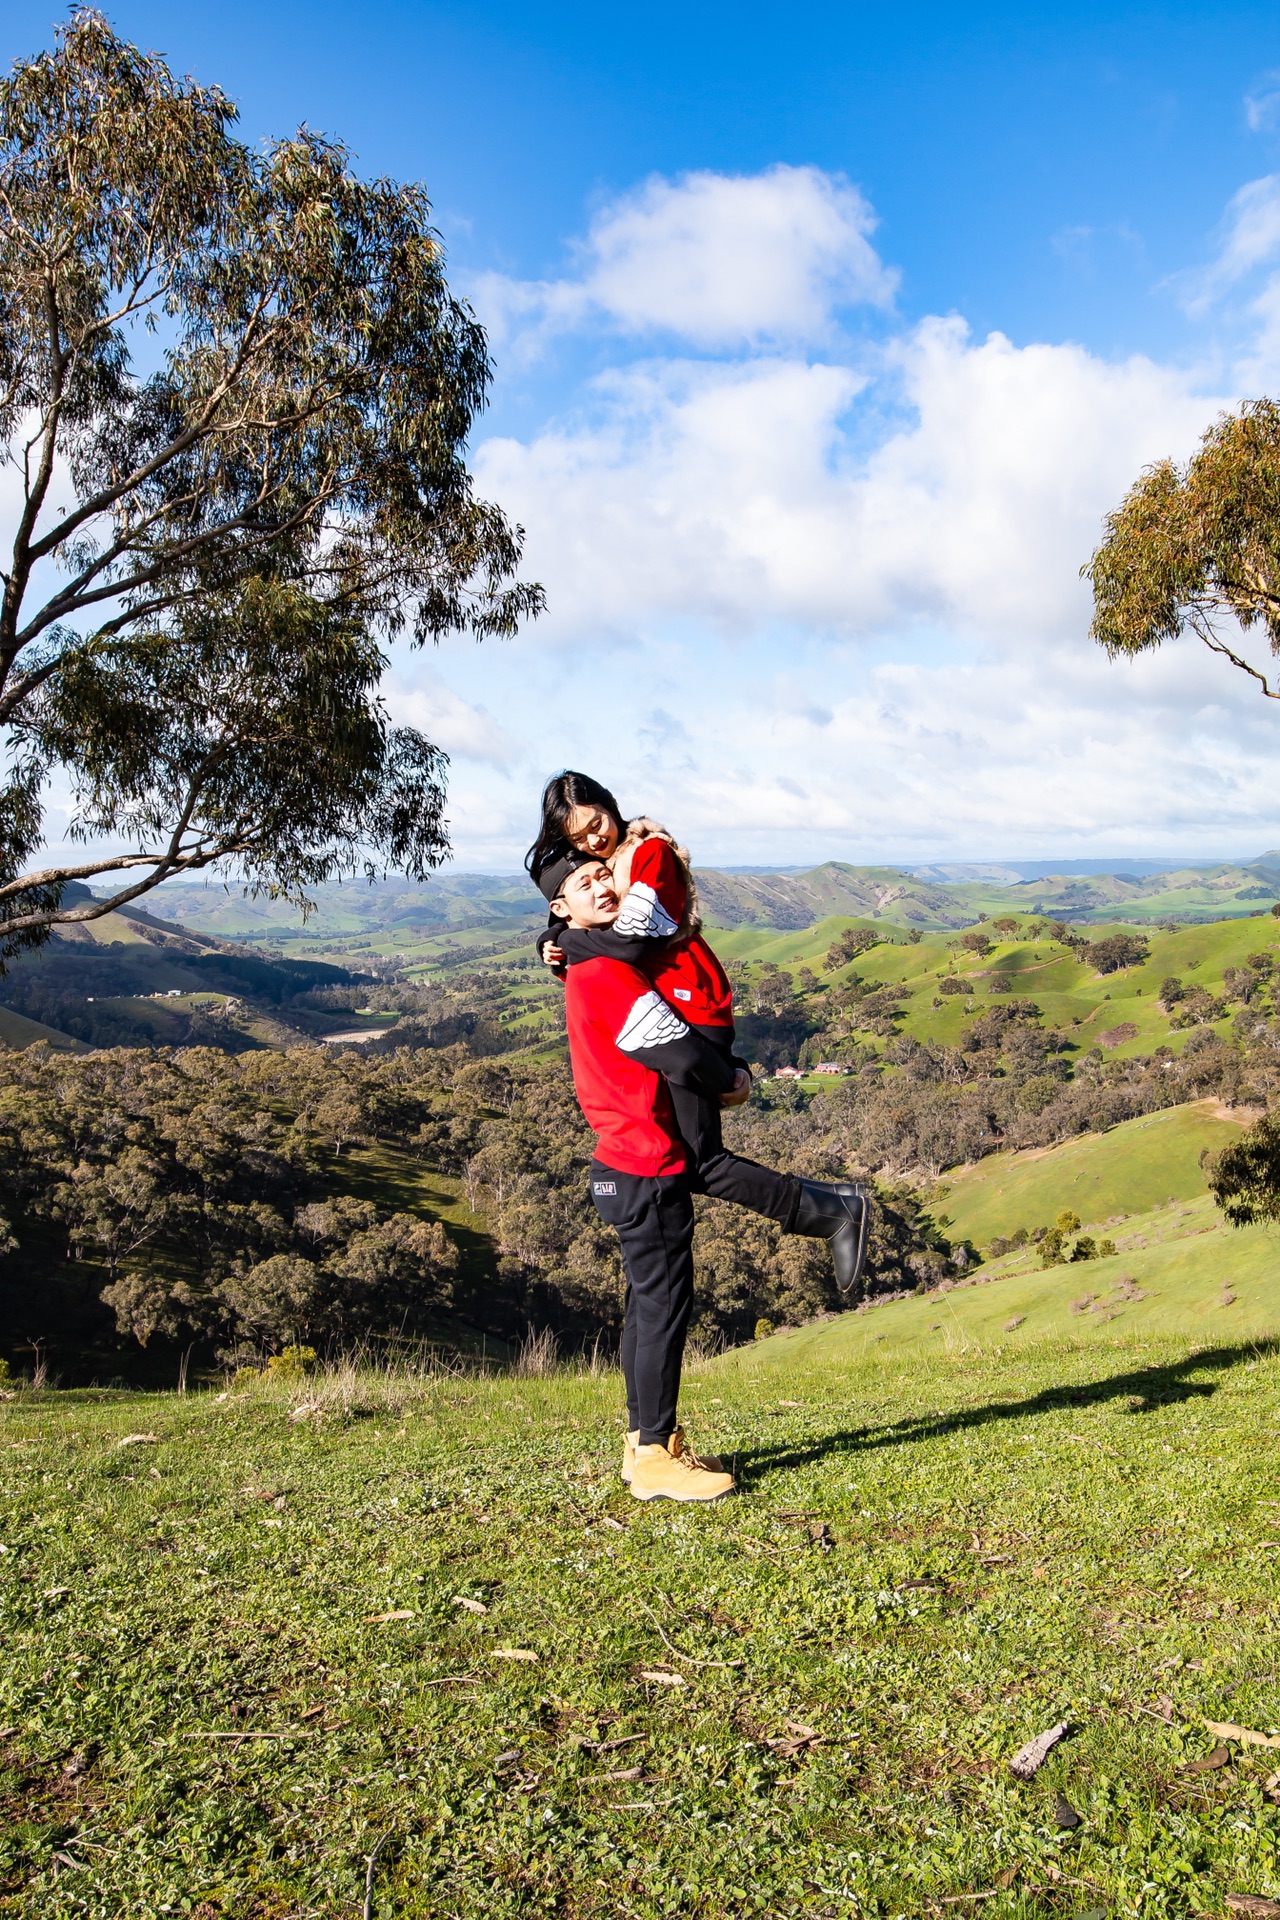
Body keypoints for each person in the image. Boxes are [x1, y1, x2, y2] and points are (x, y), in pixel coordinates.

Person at [527, 770, 869, 1293]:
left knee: (700, 1161)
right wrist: (555, 935)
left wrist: (569, 944)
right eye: (578, 839)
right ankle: (828, 1210)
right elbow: (597, 922)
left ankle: (834, 1211)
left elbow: (633, 943)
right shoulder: (613, 862)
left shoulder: (650, 855)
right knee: (691, 1159)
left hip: (691, 1006)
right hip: (674, 1009)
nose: (594, 840)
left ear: (610, 807)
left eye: (596, 823)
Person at [537, 848, 739, 1501]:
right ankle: (654, 1455)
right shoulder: (604, 974)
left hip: (623, 1164)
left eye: (604, 876)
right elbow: (680, 1053)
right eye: (584, 883)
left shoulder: (589, 962)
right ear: (560, 906)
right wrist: (732, 1082)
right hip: (646, 1162)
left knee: (646, 1309)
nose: (601, 885)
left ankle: (644, 1444)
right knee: (662, 1312)